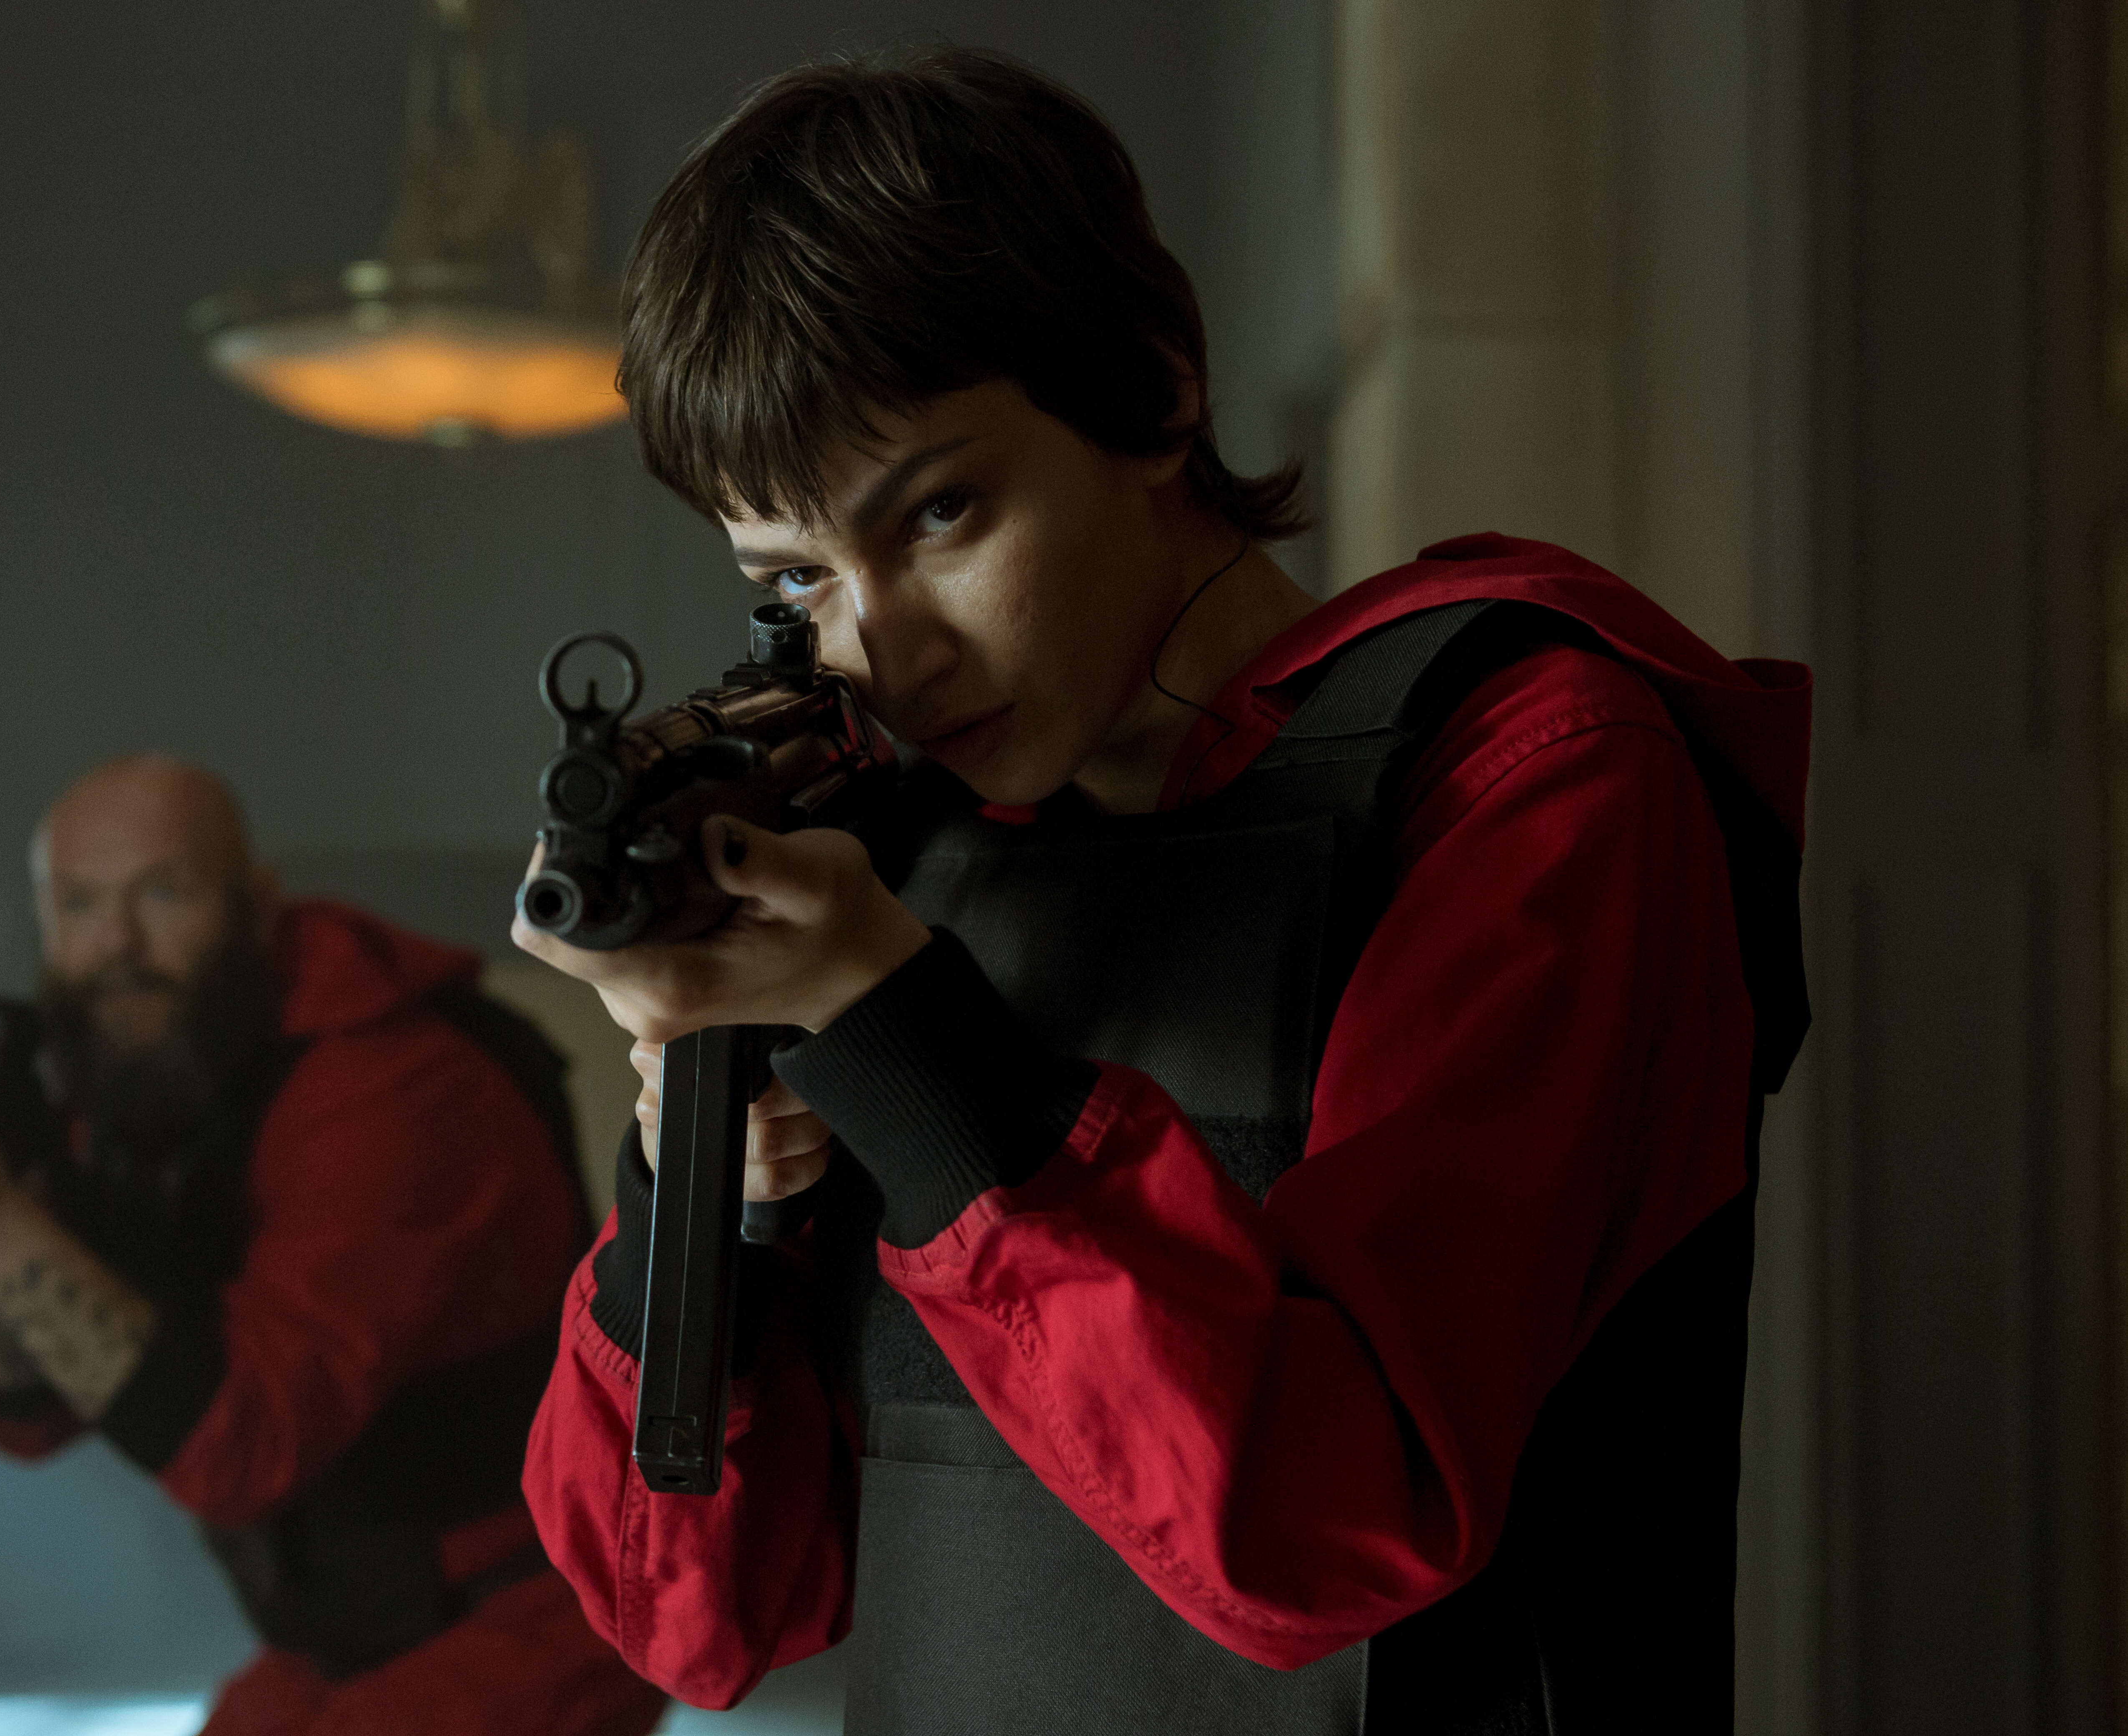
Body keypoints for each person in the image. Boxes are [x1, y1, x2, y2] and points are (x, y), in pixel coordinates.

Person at [512, 48, 1811, 1736]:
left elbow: (1328, 1528)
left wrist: (910, 1042)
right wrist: (705, 1178)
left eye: (942, 511)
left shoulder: (1526, 771)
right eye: (796, 576)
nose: (887, 651)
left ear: (1151, 389)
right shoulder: (897, 852)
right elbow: (689, 1620)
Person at [0, 754, 666, 1736]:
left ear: (256, 906)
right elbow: (32, 1413)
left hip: (522, 1635)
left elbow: (242, 1447)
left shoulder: (391, 1088)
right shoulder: (164, 1066)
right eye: (78, 904)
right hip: (338, 1642)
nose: (117, 945)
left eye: (161, 893)